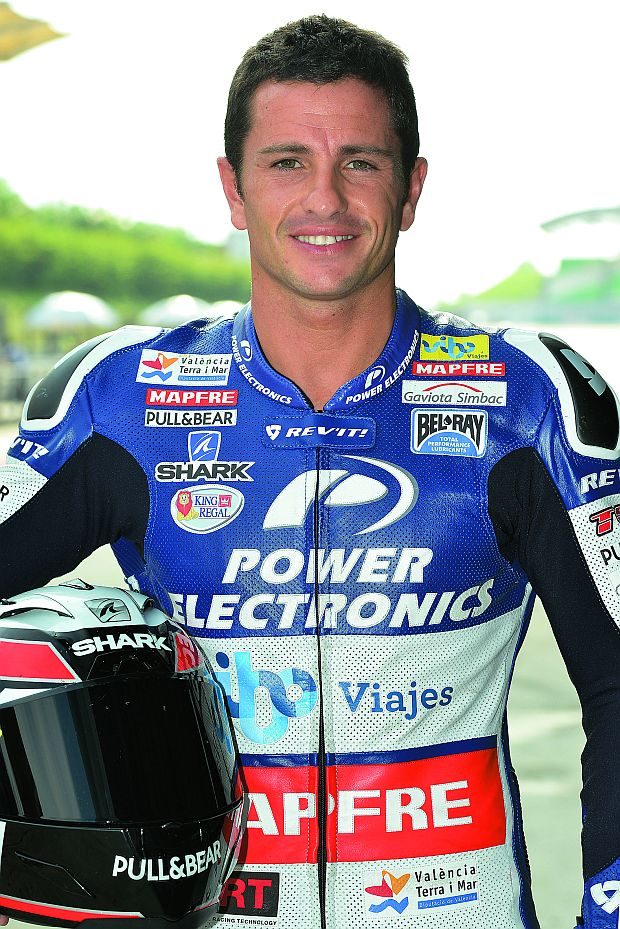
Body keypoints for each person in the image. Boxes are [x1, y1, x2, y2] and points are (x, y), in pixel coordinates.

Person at [0, 14, 619, 929]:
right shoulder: (121, 397)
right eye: (287, 162)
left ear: (411, 188)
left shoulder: (528, 399)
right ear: (233, 187)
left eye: (360, 162)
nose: (324, 199)